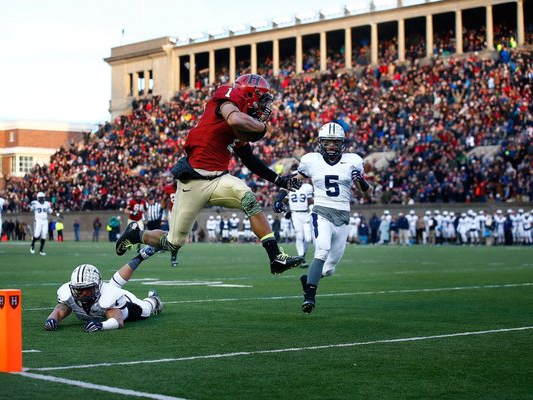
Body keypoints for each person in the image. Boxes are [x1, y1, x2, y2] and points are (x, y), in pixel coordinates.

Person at [114, 73, 304, 281]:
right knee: (173, 242)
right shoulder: (228, 96)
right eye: (262, 99)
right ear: (249, 94)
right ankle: (135, 234)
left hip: (218, 179)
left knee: (248, 198)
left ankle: (276, 258)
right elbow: (235, 118)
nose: (264, 106)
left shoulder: (240, 124)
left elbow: (249, 160)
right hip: (193, 181)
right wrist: (262, 128)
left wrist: (278, 180)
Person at [273, 122, 371, 313]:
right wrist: (280, 197)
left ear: (342, 143)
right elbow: (293, 180)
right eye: (327, 142)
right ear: (320, 143)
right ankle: (309, 298)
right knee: (322, 250)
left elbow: (367, 194)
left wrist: (361, 180)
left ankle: (308, 280)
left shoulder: (353, 161)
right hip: (321, 212)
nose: (331, 146)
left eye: (335, 142)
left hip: (342, 216)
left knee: (329, 268)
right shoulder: (312, 161)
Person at [43, 264, 162, 333]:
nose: (82, 293)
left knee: (145, 310)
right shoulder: (67, 293)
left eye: (86, 289)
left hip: (127, 304)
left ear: (97, 286)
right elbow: (59, 310)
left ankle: (154, 299)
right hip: (107, 303)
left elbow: (118, 322)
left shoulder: (108, 297)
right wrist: (52, 320)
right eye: (78, 289)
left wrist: (101, 326)